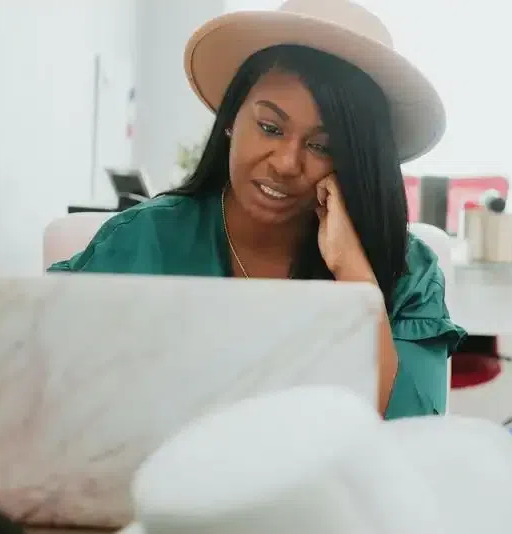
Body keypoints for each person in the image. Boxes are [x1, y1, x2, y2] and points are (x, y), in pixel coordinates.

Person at [47, 0, 466, 420]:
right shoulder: (145, 238)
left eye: (321, 146)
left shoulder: (408, 273)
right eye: (269, 127)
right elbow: (40, 377)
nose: (286, 163)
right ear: (231, 119)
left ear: (356, 161)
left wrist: (353, 271)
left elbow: (409, 437)